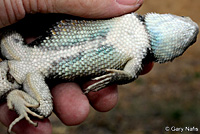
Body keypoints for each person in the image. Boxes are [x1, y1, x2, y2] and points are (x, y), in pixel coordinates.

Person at [0, 0, 153, 133]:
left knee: (47, 108)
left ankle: (16, 97)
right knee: (44, 107)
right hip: (26, 65)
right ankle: (16, 97)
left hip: (24, 60)